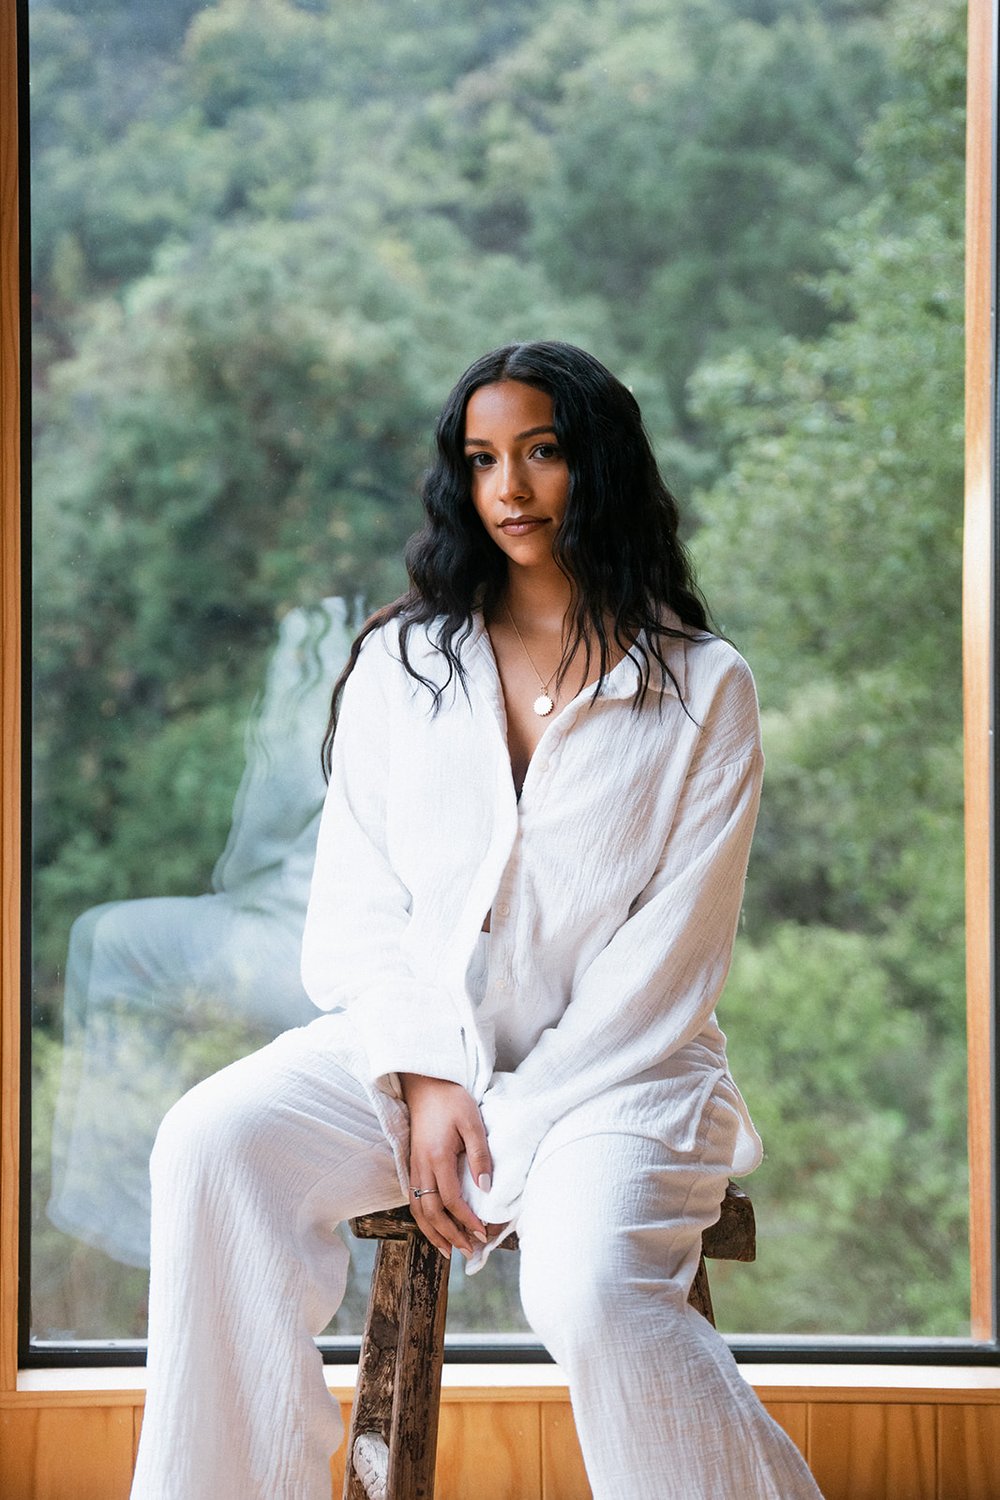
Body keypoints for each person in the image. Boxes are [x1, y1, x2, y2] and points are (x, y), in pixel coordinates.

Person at [130, 341, 824, 1499]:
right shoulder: (404, 665)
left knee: (591, 1287)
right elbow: (356, 914)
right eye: (484, 459)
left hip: (622, 1077)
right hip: (413, 1055)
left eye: (541, 453)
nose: (509, 489)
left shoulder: (706, 691)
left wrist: (499, 1124)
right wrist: (427, 1078)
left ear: (597, 464)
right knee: (212, 1142)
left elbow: (665, 973)